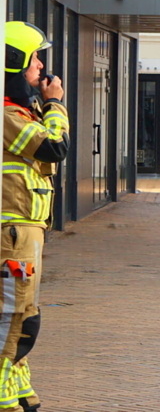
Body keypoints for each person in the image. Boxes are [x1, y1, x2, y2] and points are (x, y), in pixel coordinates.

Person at [2, 21, 70, 412]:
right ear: (13, 63)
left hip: (26, 230)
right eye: (33, 58)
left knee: (25, 314)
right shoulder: (8, 115)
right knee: (13, 317)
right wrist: (56, 104)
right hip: (13, 232)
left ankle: (17, 391)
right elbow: (53, 148)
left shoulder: (21, 110)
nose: (41, 66)